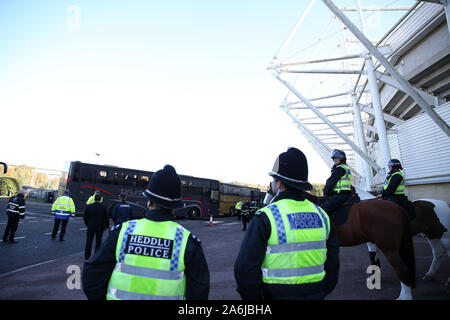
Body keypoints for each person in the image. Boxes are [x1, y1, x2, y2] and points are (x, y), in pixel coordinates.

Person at [82, 164, 210, 300]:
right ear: (175, 206)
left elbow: (92, 275)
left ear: (149, 201)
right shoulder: (185, 241)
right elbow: (199, 291)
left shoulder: (123, 233)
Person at [234, 147, 340, 300]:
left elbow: (244, 270)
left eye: (273, 179)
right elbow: (333, 265)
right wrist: (320, 292)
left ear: (279, 183)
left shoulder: (266, 217)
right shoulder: (323, 216)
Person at [320, 149, 353, 217]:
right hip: (345, 194)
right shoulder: (345, 167)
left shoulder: (339, 168)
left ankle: (329, 227)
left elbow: (331, 182)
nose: (334, 160)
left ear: (341, 158)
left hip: (340, 195)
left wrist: (326, 192)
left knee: (322, 209)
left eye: (336, 158)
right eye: (333, 158)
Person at [84, 194, 109, 260]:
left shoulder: (89, 206)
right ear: (100, 199)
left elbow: (85, 217)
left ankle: (87, 256)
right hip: (100, 227)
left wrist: (87, 224)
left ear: (94, 199)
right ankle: (96, 256)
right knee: (98, 242)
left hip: (90, 226)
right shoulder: (103, 207)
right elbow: (106, 218)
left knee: (89, 241)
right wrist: (107, 226)